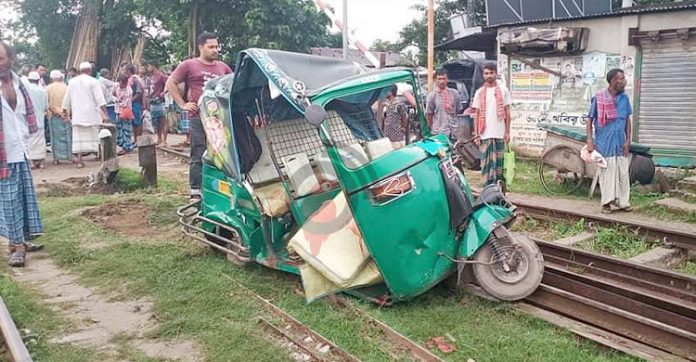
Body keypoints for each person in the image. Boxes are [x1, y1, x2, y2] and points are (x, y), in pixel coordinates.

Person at [166, 32, 232, 201]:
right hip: (198, 117)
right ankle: (196, 190)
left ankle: (217, 188)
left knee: (221, 153)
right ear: (201, 47)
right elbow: (170, 83)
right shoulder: (188, 65)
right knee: (198, 152)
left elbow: (231, 86)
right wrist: (182, 104)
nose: (215, 50)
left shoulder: (223, 67)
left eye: (217, 47)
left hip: (219, 119)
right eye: (211, 47)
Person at [0, 41, 44, 267]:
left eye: (1, 58)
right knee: (8, 201)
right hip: (2, 155)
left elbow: (24, 116)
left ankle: (19, 241)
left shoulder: (19, 84)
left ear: (10, 59)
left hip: (20, 150)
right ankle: (17, 247)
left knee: (24, 198)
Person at [586, 68, 633, 214]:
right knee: (607, 173)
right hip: (604, 143)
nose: (624, 81)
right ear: (613, 81)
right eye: (621, 78)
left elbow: (627, 120)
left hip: (620, 143)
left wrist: (628, 141)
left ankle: (623, 202)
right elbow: (589, 120)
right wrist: (589, 140)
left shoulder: (624, 98)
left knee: (623, 173)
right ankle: (606, 203)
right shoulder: (598, 98)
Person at [472, 62, 512, 187]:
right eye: (486, 73)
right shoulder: (479, 92)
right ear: (483, 75)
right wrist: (477, 134)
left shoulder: (503, 90)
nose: (489, 75)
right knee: (486, 165)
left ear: (496, 73)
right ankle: (486, 190)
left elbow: (507, 112)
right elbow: (477, 114)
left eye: (491, 73)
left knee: (499, 166)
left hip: (499, 133)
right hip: (484, 134)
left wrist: (507, 132)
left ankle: (498, 190)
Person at [62, 61, 109, 168]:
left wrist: (65, 112)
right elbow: (100, 99)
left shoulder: (72, 81)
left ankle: (79, 161)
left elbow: (66, 99)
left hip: (78, 114)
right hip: (92, 114)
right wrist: (105, 113)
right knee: (97, 136)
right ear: (90, 70)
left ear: (79, 71)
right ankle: (100, 157)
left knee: (78, 139)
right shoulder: (93, 81)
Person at [426, 69, 463, 138]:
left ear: (447, 79)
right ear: (435, 80)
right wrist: (434, 128)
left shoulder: (454, 93)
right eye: (439, 79)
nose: (442, 81)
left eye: (444, 79)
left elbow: (458, 110)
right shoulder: (432, 96)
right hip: (439, 132)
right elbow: (429, 114)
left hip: (454, 131)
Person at [46, 70, 71, 164]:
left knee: (54, 137)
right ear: (61, 78)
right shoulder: (66, 87)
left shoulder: (48, 88)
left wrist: (54, 111)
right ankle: (69, 157)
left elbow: (46, 103)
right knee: (67, 135)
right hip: (66, 114)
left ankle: (56, 159)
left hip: (53, 115)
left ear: (51, 78)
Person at [25, 72, 48, 169]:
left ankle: (30, 162)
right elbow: (46, 107)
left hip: (28, 120)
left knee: (29, 141)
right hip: (40, 119)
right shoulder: (42, 91)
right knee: (40, 141)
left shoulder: (25, 91)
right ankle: (41, 162)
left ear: (28, 80)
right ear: (38, 80)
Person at [114, 72, 136, 155]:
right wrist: (115, 99)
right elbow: (111, 94)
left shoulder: (129, 91)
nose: (120, 85)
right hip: (117, 111)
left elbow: (125, 104)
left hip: (125, 111)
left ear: (125, 83)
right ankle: (123, 145)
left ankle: (127, 147)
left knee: (126, 130)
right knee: (119, 130)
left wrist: (117, 101)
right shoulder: (117, 87)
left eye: (122, 84)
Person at [148, 61, 169, 146]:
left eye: (149, 66)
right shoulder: (152, 77)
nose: (148, 68)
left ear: (154, 66)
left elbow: (170, 82)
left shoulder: (161, 76)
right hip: (153, 101)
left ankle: (164, 140)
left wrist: (164, 92)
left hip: (160, 101)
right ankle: (159, 138)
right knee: (157, 122)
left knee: (163, 121)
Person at [124, 64, 145, 142]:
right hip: (131, 104)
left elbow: (138, 93)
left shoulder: (135, 80)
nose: (124, 71)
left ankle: (139, 140)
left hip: (136, 104)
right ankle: (136, 140)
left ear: (129, 71)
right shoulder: (129, 79)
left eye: (125, 70)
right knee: (133, 122)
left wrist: (130, 100)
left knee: (137, 122)